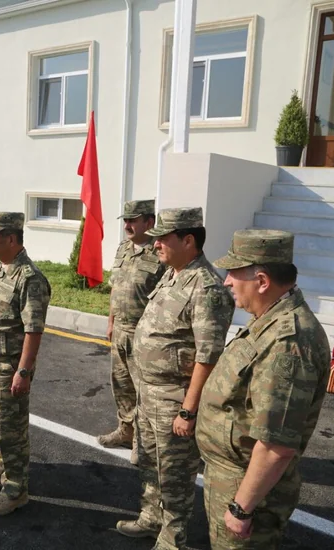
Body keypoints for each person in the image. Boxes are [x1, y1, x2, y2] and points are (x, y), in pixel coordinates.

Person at [197, 229, 330, 549]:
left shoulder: (288, 343)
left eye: (234, 272)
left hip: (248, 491)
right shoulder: (268, 317)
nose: (227, 281)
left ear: (262, 281)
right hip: (231, 478)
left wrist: (240, 508)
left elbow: (276, 446)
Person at [116, 207, 234, 550]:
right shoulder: (172, 275)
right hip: (149, 392)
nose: (155, 245)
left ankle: (172, 537)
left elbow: (208, 356)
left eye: (163, 239)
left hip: (174, 398)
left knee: (175, 474)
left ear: (188, 240)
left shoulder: (206, 287)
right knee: (150, 465)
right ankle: (151, 518)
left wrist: (188, 409)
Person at [0, 212, 51, 516]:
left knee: (11, 431)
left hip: (8, 367)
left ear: (12, 239)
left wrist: (23, 371)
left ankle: (16, 489)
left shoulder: (30, 278)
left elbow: (33, 330)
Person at [100, 199, 165, 463]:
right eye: (125, 220)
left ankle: (142, 441)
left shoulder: (160, 252)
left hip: (144, 333)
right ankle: (125, 431)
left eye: (133, 220)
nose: (127, 225)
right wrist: (111, 321)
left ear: (149, 222)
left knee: (143, 389)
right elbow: (115, 287)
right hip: (120, 329)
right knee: (121, 384)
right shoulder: (123, 249)